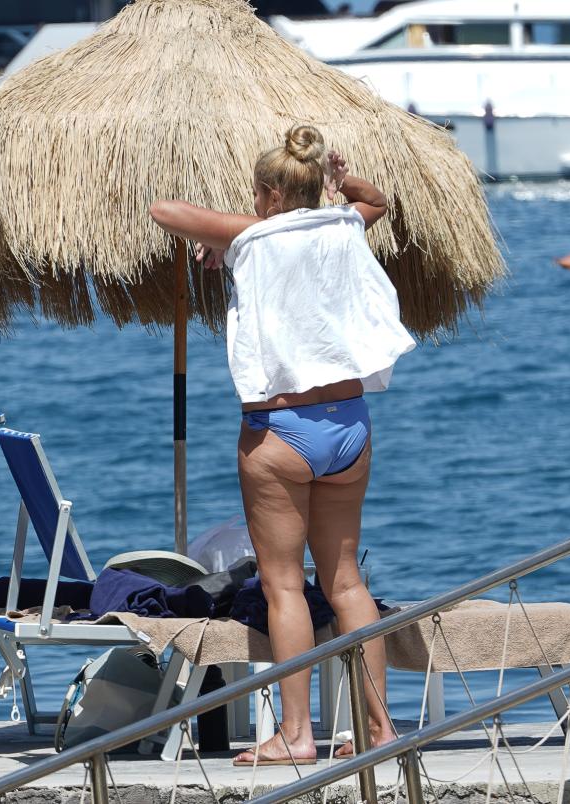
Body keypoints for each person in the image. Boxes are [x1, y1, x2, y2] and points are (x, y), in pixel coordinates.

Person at [150, 125, 415, 766]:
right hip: (350, 422)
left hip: (281, 430)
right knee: (347, 583)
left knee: (286, 589)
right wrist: (336, 181)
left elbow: (164, 211)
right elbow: (377, 199)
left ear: (268, 192)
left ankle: (297, 737)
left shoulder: (251, 235)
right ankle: (380, 731)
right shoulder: (344, 226)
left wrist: (241, 235)